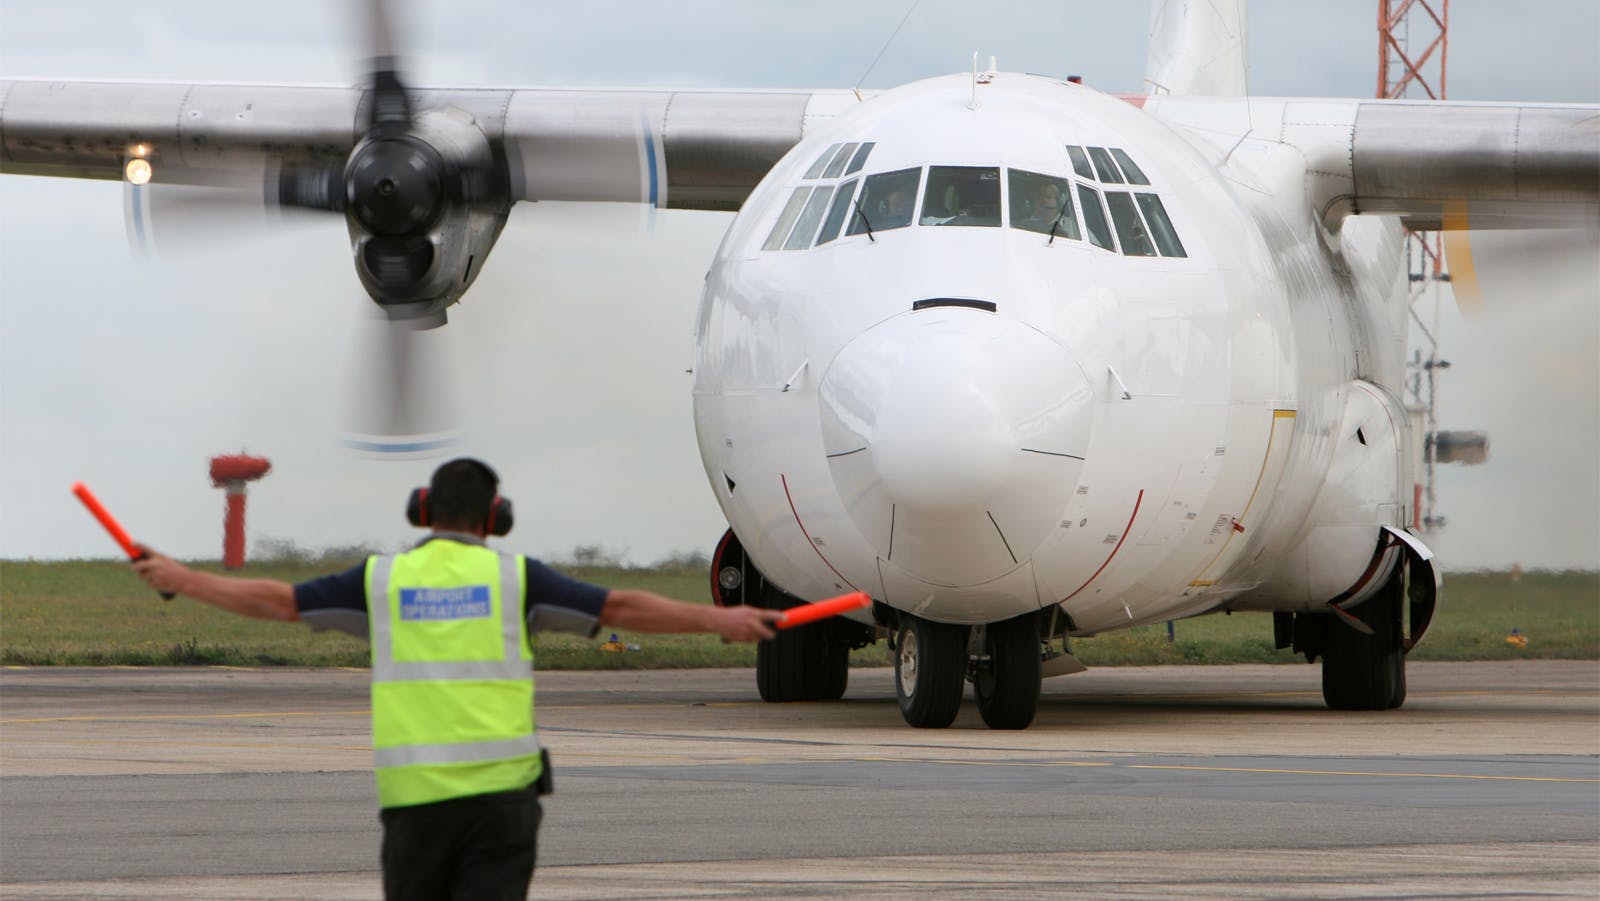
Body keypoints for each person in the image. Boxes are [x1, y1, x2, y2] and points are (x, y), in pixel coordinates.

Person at [131, 457, 785, 901]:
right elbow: (619, 608)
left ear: (423, 510)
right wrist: (716, 618)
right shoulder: (517, 579)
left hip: (416, 809)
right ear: (494, 516)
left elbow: (278, 601)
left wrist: (183, 578)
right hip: (502, 806)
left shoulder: (382, 581)